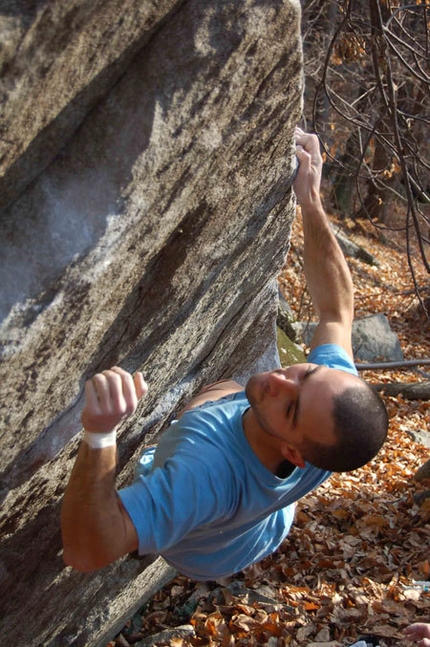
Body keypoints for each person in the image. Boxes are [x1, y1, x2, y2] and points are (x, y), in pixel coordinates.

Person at [61, 128, 388, 580]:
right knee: (233, 388)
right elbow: (336, 309)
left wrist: (100, 434)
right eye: (306, 372)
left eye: (290, 406)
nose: (280, 379)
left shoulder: (206, 473)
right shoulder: (332, 423)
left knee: (205, 409)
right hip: (264, 526)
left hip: (203, 556)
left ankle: (162, 525)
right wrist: (311, 201)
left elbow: (86, 551)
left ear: (295, 453)